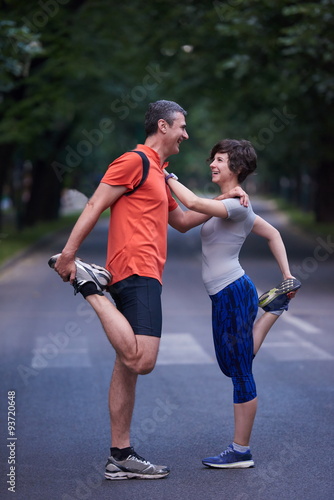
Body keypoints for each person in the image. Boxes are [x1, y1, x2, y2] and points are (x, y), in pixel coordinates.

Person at [48, 101, 248, 480]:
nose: (186, 135)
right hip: (135, 269)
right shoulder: (134, 162)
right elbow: (95, 203)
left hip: (145, 272)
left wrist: (221, 201)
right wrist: (70, 256)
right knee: (143, 360)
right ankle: (89, 286)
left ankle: (120, 455)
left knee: (127, 364)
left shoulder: (158, 171)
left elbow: (185, 221)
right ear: (163, 125)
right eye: (182, 127)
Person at [164, 138, 301, 469]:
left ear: (236, 168)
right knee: (230, 363)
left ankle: (241, 450)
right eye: (213, 158)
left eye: (220, 160)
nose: (212, 164)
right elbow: (181, 222)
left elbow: (194, 204)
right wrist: (287, 276)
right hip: (222, 295)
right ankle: (273, 309)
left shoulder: (237, 206)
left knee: (240, 370)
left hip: (234, 292)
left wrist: (166, 176)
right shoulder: (227, 201)